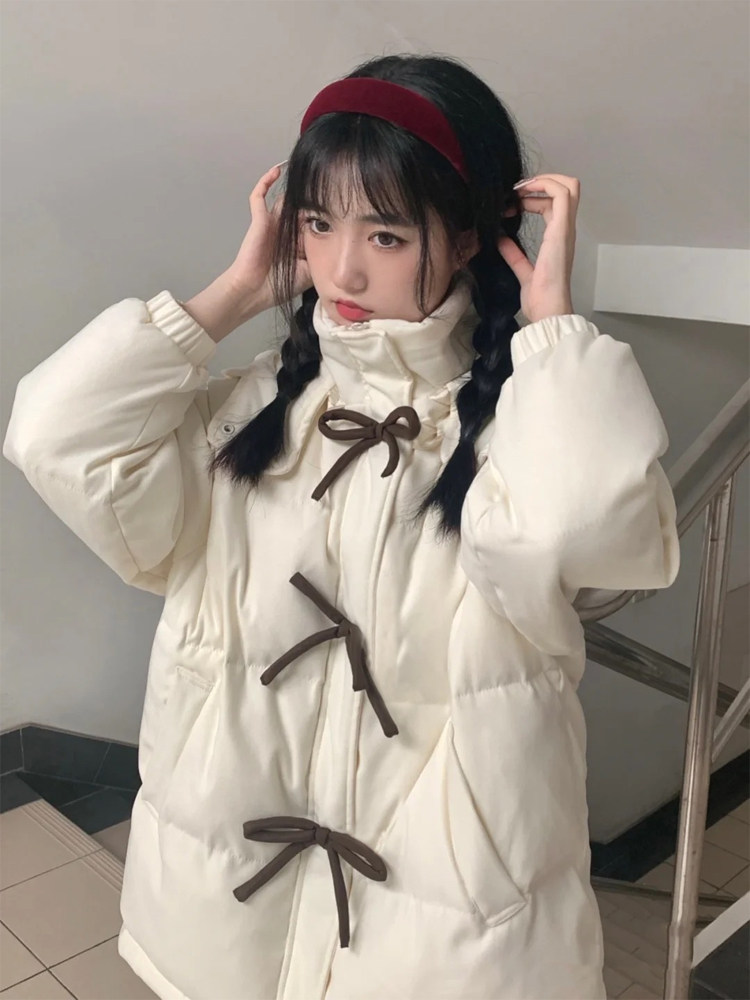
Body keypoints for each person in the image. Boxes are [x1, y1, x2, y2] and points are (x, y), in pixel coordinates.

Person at [3, 53, 680, 1000]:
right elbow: (51, 435)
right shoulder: (250, 419)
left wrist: (552, 329)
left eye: (387, 234)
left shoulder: (525, 429)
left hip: (445, 915)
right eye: (318, 225)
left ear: (471, 235)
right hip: (230, 893)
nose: (342, 268)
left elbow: (584, 538)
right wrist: (236, 292)